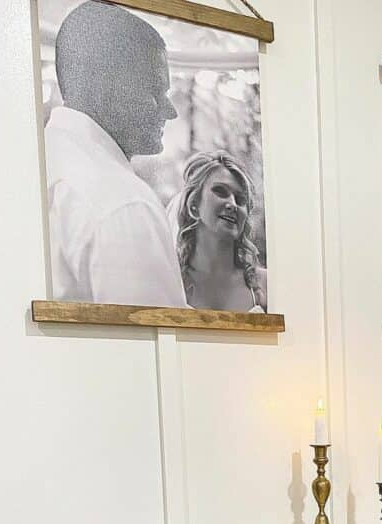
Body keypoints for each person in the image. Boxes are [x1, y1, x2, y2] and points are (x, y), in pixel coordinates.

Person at [45, 1, 186, 307]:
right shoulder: (123, 202)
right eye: (156, 90)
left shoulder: (40, 163)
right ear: (105, 86)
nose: (170, 110)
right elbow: (154, 347)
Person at [173, 152, 267, 312]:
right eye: (220, 192)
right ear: (194, 204)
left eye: (240, 199)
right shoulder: (173, 283)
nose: (232, 204)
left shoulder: (265, 284)